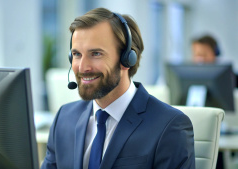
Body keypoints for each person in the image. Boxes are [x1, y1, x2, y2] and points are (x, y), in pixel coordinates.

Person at [41, 8, 195, 169]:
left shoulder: (169, 126)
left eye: (96, 53)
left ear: (127, 59)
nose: (82, 67)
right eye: (77, 54)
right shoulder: (64, 118)